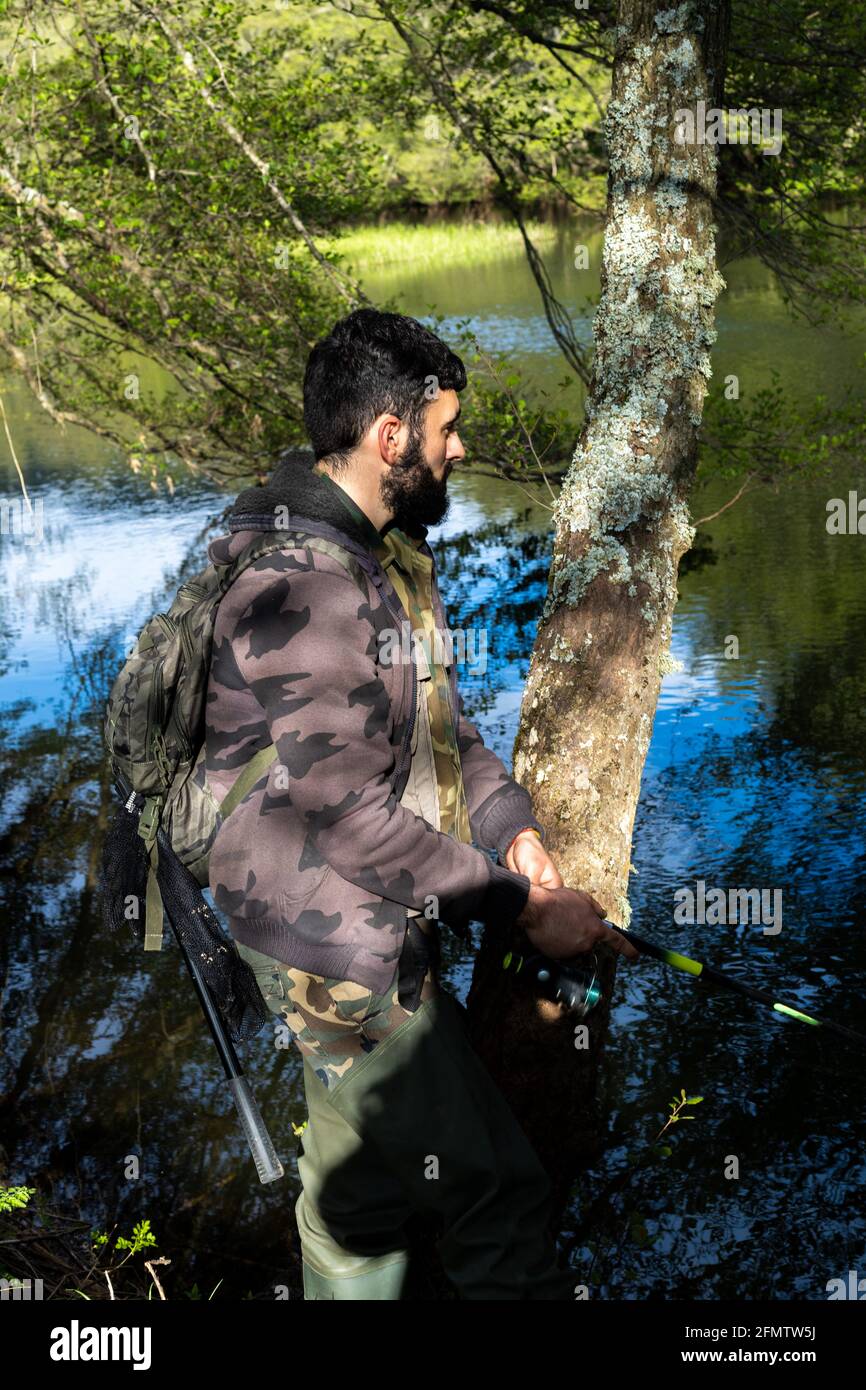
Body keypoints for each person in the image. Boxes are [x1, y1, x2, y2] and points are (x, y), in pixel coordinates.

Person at [204, 308, 639, 1299]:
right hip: (326, 940)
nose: (458, 447)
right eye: (445, 428)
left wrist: (511, 831)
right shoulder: (304, 585)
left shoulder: (380, 554)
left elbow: (444, 733)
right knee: (497, 1199)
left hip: (350, 915)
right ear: (389, 436)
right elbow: (348, 818)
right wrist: (521, 907)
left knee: (355, 1206)